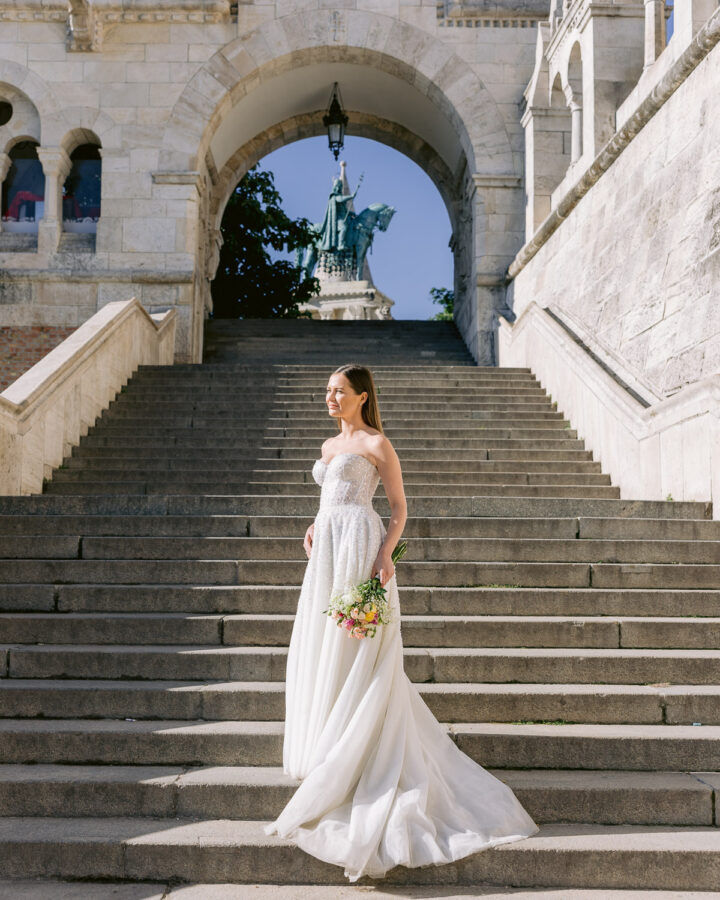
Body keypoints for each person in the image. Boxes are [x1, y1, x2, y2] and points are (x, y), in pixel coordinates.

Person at [263, 363, 539, 881]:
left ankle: (359, 754)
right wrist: (313, 524)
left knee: (361, 647)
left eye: (338, 391)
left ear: (362, 397)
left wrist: (386, 554)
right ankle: (330, 744)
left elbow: (398, 507)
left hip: (361, 551)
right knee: (328, 644)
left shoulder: (376, 445)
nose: (330, 398)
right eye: (327, 391)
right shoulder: (327, 448)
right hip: (327, 552)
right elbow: (332, 500)